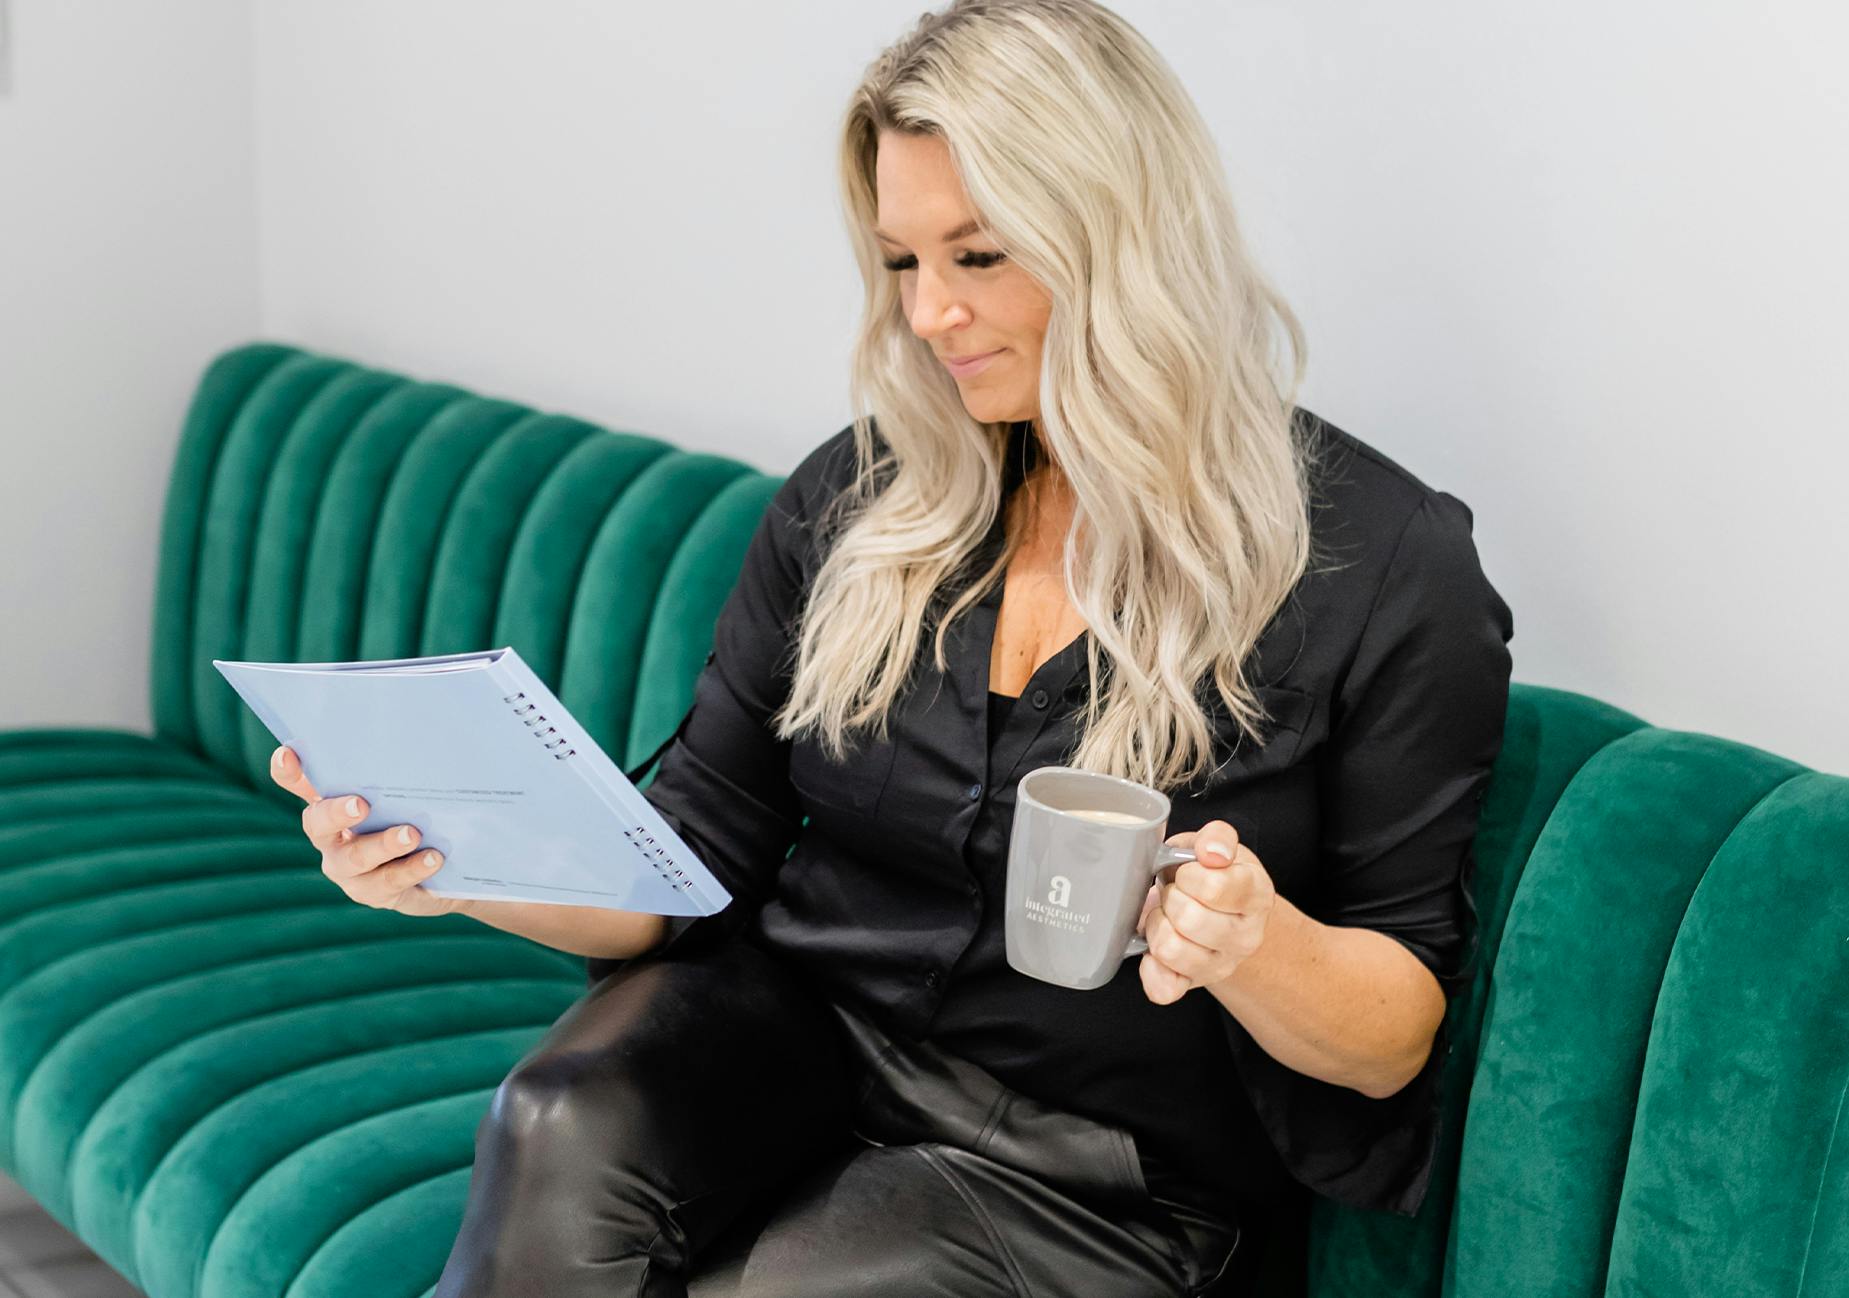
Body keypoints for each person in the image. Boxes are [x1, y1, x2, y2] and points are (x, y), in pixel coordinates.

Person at [270, 1, 1514, 1293]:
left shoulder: (1383, 566)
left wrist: (1257, 948)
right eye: (903, 261)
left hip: (1099, 1176)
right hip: (800, 1039)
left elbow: (1391, 1034)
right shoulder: (861, 499)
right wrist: (448, 862)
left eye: (976, 256)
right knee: (555, 1120)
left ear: (1122, 240)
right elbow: (693, 851)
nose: (926, 315)